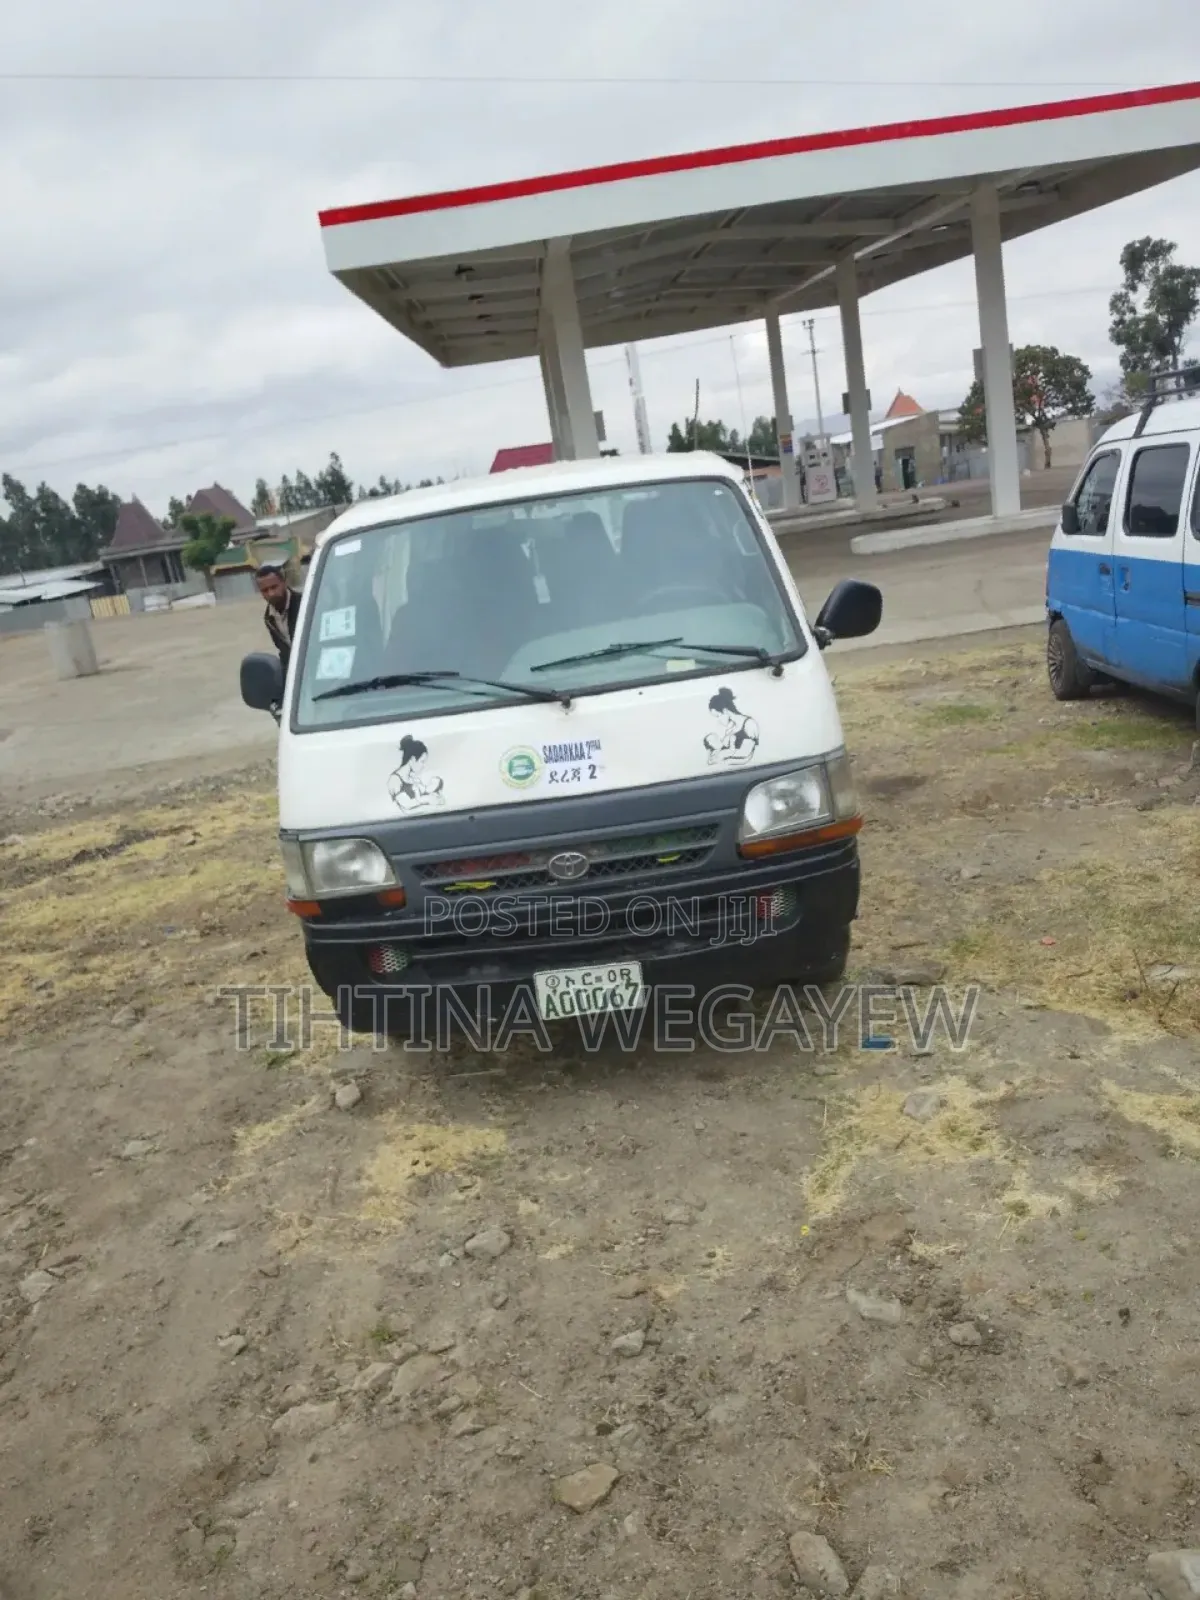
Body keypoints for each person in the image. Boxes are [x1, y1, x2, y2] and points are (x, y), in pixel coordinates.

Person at [256, 564, 302, 672]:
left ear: (284, 583)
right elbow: (283, 650)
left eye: (274, 587)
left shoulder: (305, 604)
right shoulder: (269, 618)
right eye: (265, 590)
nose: (271, 593)